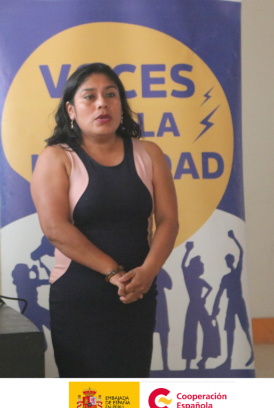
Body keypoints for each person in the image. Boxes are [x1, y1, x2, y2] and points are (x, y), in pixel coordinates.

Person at [30, 63, 179, 377]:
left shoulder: (149, 153)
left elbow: (168, 220)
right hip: (80, 295)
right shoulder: (56, 157)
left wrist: (148, 272)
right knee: (88, 397)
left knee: (130, 390)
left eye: (111, 95)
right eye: (90, 96)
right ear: (71, 110)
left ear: (121, 106)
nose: (102, 104)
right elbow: (55, 229)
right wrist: (113, 272)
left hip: (137, 292)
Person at [212, 230, 254, 368]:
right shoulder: (225, 278)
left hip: (239, 302)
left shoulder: (237, 271)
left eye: (229, 260)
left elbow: (241, 252)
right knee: (229, 330)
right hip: (231, 303)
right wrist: (215, 306)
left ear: (232, 261)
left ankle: (251, 352)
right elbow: (219, 293)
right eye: (226, 260)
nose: (228, 262)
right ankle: (228, 359)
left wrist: (234, 238)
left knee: (245, 328)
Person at [181, 241, 221, 370]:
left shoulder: (200, 280)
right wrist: (188, 251)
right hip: (193, 306)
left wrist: (204, 298)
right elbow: (183, 265)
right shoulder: (189, 279)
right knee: (190, 333)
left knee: (209, 330)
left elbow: (210, 288)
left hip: (199, 306)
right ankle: (188, 365)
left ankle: (203, 360)